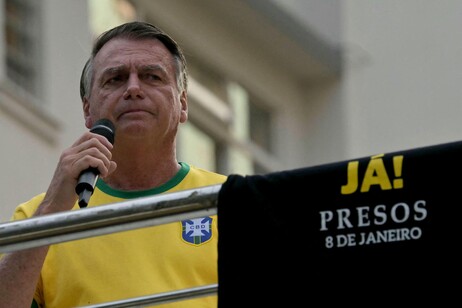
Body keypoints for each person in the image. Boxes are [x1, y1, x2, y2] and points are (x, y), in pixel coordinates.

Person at [0, 21, 227, 308]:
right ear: (88, 109)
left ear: (182, 103)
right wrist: (50, 211)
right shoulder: (37, 216)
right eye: (115, 79)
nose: (133, 88)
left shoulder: (228, 199)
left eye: (152, 77)